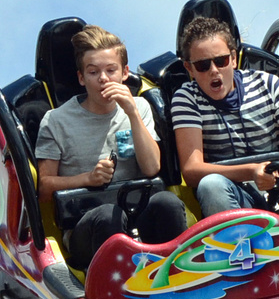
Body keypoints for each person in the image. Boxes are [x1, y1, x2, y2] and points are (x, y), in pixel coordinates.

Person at [34, 25, 188, 269]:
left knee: (167, 203)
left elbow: (151, 168)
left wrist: (132, 114)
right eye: (94, 72)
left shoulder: (139, 107)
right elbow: (44, 187)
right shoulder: (56, 121)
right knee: (109, 215)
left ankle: (182, 273)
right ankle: (115, 287)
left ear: (124, 73)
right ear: (82, 78)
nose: (103, 78)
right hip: (87, 225)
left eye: (110, 70)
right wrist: (88, 178)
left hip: (138, 212)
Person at [170, 15, 279, 222]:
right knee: (212, 185)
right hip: (237, 199)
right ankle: (238, 248)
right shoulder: (186, 98)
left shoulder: (267, 84)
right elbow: (192, 170)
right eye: (203, 66)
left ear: (233, 59)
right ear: (189, 68)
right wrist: (252, 172)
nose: (214, 71)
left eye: (221, 61)